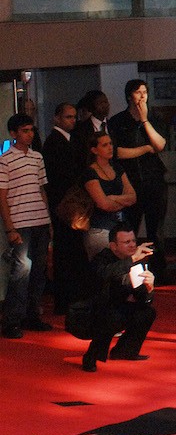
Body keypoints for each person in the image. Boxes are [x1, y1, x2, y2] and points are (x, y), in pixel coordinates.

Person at [108, 80, 168, 276]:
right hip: (130, 181)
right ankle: (127, 269)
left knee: (156, 229)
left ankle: (158, 270)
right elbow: (116, 152)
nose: (142, 96)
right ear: (129, 96)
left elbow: (159, 145)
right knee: (129, 227)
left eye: (145, 92)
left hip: (154, 179)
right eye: (137, 92)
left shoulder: (154, 118)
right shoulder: (117, 122)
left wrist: (144, 121)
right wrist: (144, 149)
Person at [1, 114, 51, 338]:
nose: (29, 134)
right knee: (22, 271)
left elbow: (42, 190)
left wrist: (48, 219)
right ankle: (12, 320)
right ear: (13, 134)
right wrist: (10, 228)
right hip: (20, 222)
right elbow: (2, 196)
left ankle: (32, 315)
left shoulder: (37, 157)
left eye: (31, 130)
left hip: (40, 220)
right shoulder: (5, 159)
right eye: (24, 131)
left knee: (38, 271)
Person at [80, 227, 156, 372]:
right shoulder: (102, 259)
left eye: (134, 240)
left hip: (117, 307)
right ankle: (91, 356)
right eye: (126, 242)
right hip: (88, 312)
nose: (133, 245)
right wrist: (132, 259)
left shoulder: (138, 262)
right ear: (113, 246)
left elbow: (142, 299)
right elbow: (105, 274)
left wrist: (150, 288)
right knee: (110, 315)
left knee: (147, 312)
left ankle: (126, 351)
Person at [43, 102, 87, 313]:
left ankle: (70, 298)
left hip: (67, 203)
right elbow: (62, 176)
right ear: (57, 118)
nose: (73, 120)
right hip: (64, 205)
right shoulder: (55, 143)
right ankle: (66, 300)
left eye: (73, 117)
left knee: (70, 252)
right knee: (66, 252)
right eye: (68, 117)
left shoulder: (66, 140)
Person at [81, 131, 134, 259]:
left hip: (120, 226)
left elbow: (132, 197)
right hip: (100, 227)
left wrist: (114, 198)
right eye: (105, 145)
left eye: (111, 144)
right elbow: (103, 204)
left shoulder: (117, 168)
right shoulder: (90, 172)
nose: (110, 147)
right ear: (94, 150)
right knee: (106, 268)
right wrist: (121, 201)